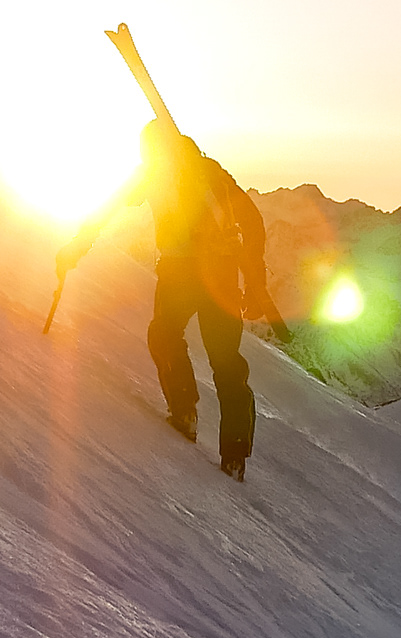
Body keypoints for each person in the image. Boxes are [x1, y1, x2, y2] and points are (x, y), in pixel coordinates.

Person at [58, 119, 288, 478]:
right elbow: (252, 219)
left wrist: (77, 246)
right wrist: (255, 279)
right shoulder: (210, 171)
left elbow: (110, 206)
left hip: (180, 272)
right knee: (227, 363)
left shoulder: (154, 173)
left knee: (164, 333)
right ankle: (235, 455)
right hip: (222, 276)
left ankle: (185, 411)